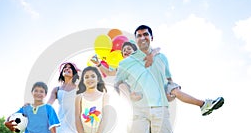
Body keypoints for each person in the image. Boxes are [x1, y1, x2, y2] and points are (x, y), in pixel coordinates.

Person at [93, 41, 224, 116]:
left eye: (129, 49)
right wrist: (98, 63)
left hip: (159, 85)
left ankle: (204, 105)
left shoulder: (142, 57)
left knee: (175, 90)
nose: (126, 51)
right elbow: (109, 73)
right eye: (124, 51)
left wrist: (152, 54)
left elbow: (157, 49)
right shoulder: (124, 67)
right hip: (144, 93)